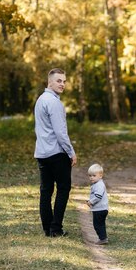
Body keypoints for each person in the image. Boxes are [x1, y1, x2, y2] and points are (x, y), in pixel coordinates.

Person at [34, 68, 77, 237]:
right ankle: (56, 228)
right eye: (59, 81)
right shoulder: (54, 102)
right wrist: (71, 152)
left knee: (46, 191)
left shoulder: (40, 100)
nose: (63, 84)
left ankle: (48, 228)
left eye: (64, 81)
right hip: (57, 153)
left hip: (42, 153)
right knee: (63, 189)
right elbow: (60, 132)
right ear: (49, 82)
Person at [85, 163, 109, 245]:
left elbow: (98, 196)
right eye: (90, 175)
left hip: (100, 209)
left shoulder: (99, 185)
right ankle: (103, 237)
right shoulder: (97, 184)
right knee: (100, 224)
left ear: (100, 176)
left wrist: (91, 202)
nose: (91, 177)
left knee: (97, 224)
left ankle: (103, 238)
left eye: (94, 175)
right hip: (101, 208)